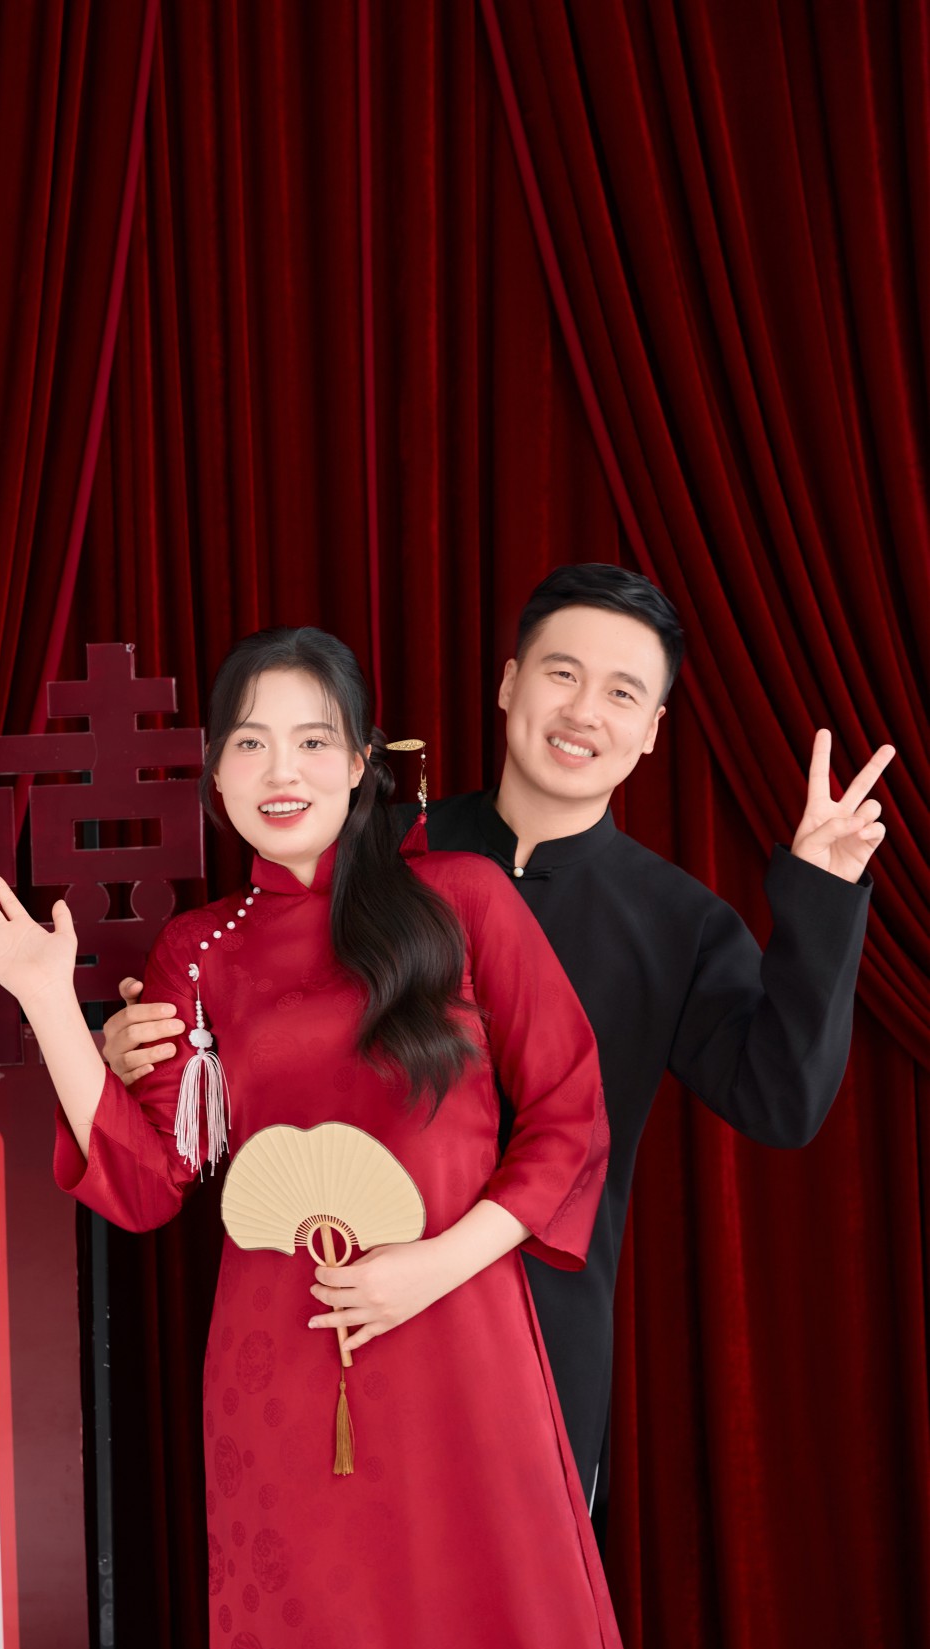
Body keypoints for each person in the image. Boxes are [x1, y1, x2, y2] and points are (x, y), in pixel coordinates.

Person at [0, 626, 695, 1649]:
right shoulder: (199, 950)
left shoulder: (461, 899)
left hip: (459, 1340)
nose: (280, 770)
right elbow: (143, 1181)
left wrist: (434, 1265)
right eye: (250, 743)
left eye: (311, 740)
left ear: (359, 762)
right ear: (215, 770)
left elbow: (571, 1117)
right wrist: (46, 1000)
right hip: (278, 1377)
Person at [105, 566, 893, 1538]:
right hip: (343, 1310)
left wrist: (821, 896)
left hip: (545, 1331)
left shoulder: (675, 921)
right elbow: (244, 995)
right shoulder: (372, 851)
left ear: (652, 730)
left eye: (621, 693)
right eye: (561, 673)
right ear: (508, 683)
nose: (583, 712)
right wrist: (144, 1039)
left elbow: (781, 1100)